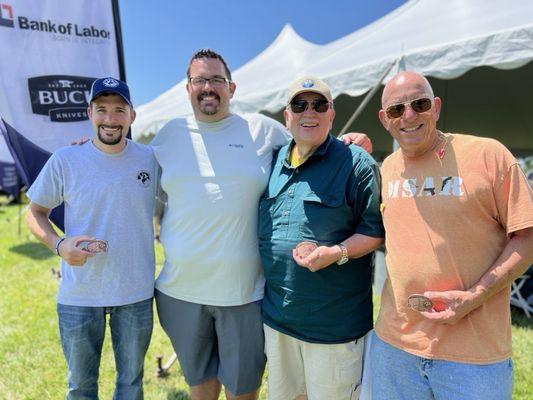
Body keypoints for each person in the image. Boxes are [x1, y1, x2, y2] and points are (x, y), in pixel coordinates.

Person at [151, 49, 370, 400]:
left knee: (243, 391)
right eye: (200, 80)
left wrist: (348, 143)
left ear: (231, 87)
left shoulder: (263, 131)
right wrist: (93, 146)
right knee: (200, 388)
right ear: (188, 87)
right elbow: (130, 169)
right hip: (180, 292)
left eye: (217, 80)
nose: (209, 87)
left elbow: (312, 142)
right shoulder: (167, 136)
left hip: (243, 293)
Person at [371, 71, 533, 400]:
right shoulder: (387, 168)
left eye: (419, 104)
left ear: (437, 106)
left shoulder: (488, 155)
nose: (409, 116)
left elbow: (527, 236)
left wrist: (474, 296)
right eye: (396, 110)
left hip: (472, 358)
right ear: (384, 119)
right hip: (395, 347)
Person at [25, 77, 158, 400]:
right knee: (80, 388)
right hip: (79, 294)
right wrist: (59, 245)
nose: (110, 119)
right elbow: (33, 212)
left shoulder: (151, 159)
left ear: (132, 116)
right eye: (102, 110)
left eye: (118, 110)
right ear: (89, 113)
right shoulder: (66, 160)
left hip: (135, 292)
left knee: (131, 385)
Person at [258, 75, 384, 400]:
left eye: (319, 104)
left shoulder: (357, 163)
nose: (308, 112)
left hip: (333, 328)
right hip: (278, 321)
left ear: (332, 114)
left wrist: (337, 252)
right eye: (299, 105)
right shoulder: (271, 162)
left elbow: (374, 232)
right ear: (286, 116)